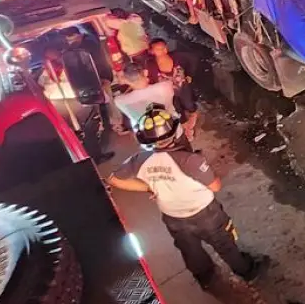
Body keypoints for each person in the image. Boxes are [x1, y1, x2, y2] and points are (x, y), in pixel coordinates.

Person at [108, 105, 263, 287]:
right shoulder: (191, 160)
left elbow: (114, 179)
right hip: (206, 214)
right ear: (174, 132)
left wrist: (149, 188)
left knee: (190, 251)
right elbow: (215, 186)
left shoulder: (139, 160)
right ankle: (247, 271)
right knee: (224, 244)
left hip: (173, 217)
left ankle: (205, 278)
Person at [143, 38, 200, 142]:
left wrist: (190, 74)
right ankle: (186, 128)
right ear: (152, 51)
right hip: (168, 94)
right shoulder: (150, 64)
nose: (163, 50)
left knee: (189, 104)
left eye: (164, 48)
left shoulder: (178, 56)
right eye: (158, 49)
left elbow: (193, 58)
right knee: (177, 110)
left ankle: (193, 113)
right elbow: (149, 81)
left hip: (183, 88)